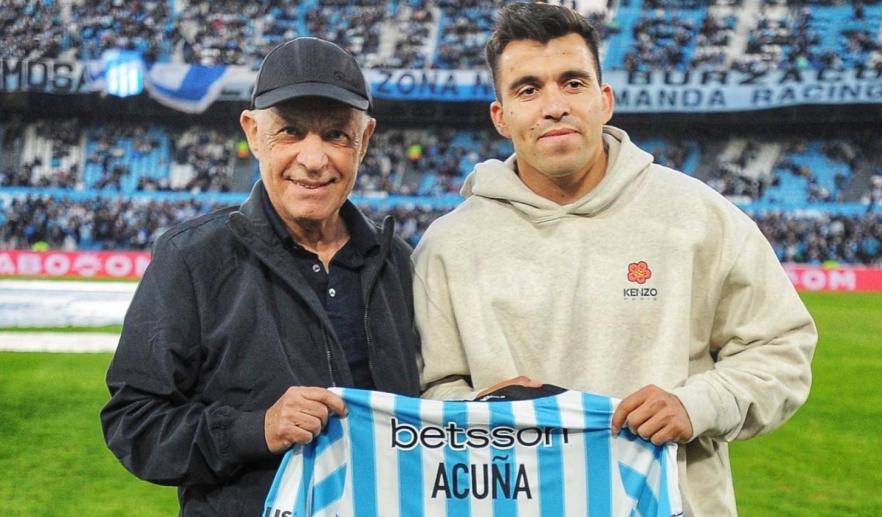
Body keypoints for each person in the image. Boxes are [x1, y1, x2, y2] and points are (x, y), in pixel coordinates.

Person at [411, 4, 817, 516]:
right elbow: (429, 391)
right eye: (528, 90)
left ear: (604, 100)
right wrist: (486, 410)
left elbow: (781, 350)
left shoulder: (699, 215)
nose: (554, 106)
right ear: (501, 116)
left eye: (573, 83)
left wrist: (694, 405)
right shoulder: (447, 245)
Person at [101, 37, 420, 516]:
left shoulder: (396, 261)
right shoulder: (191, 258)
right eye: (290, 131)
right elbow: (134, 423)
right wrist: (256, 429)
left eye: (336, 134)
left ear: (365, 139)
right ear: (253, 132)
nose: (313, 159)